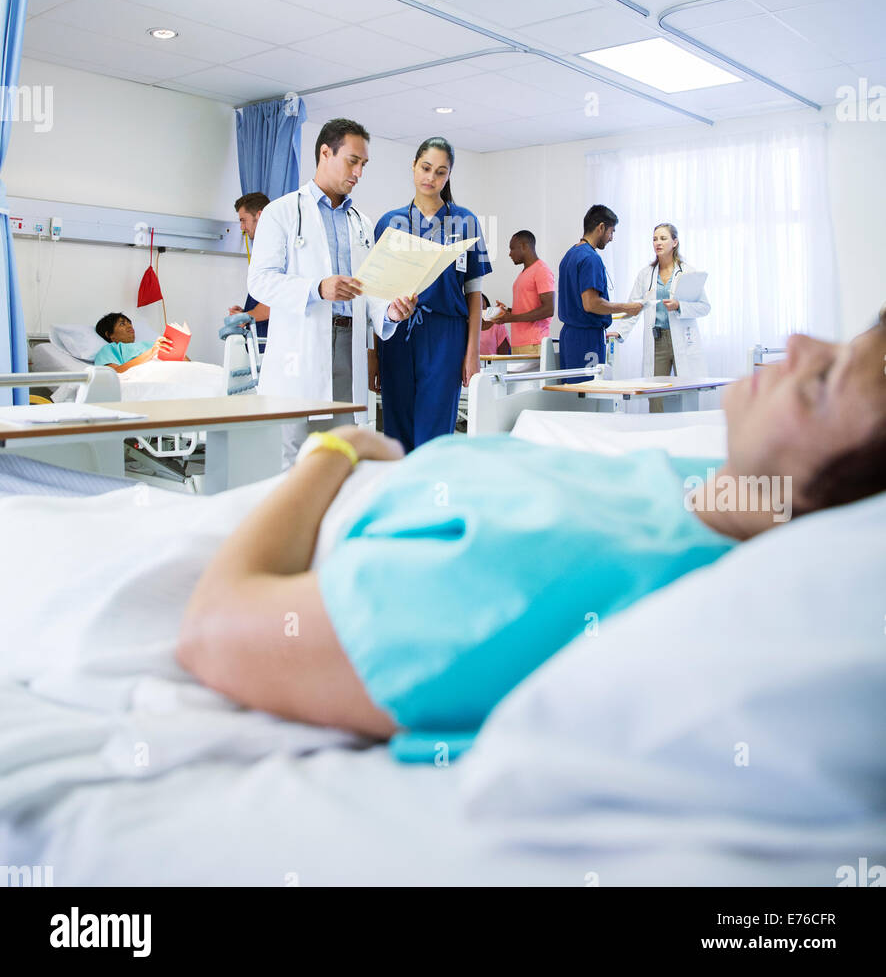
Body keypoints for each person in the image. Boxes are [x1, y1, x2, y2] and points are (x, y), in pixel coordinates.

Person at [177, 317, 886, 761]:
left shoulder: (542, 576)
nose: (798, 342)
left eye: (823, 381)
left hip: (288, 513)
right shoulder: (723, 489)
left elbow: (214, 629)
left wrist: (333, 452)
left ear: (833, 502)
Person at [246, 119, 416, 464]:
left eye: (364, 164)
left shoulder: (361, 223)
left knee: (340, 451)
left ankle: (333, 517)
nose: (359, 172)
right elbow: (260, 281)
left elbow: (369, 290)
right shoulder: (282, 212)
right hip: (300, 349)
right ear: (325, 152)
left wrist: (390, 312)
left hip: (348, 347)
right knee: (292, 450)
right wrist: (317, 288)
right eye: (353, 161)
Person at [369, 137, 492, 453]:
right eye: (425, 168)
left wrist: (472, 352)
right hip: (396, 334)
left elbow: (474, 294)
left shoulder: (465, 221)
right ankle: (403, 495)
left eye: (440, 172)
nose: (431, 178)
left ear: (448, 176)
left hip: (445, 335)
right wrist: (373, 354)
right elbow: (375, 293)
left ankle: (433, 495)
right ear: (413, 166)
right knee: (397, 427)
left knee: (435, 431)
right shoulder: (389, 222)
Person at [610, 222, 711, 410]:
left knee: (686, 390)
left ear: (675, 242)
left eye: (663, 238)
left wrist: (680, 305)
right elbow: (635, 307)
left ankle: (687, 432)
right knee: (654, 393)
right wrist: (619, 332)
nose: (658, 242)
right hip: (657, 342)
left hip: (682, 339)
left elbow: (704, 307)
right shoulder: (645, 274)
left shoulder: (688, 272)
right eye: (655, 239)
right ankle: (656, 431)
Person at [556, 205, 643, 375]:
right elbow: (591, 304)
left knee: (572, 393)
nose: (611, 238)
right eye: (611, 232)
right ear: (601, 227)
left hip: (569, 336)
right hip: (586, 338)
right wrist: (627, 308)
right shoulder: (590, 258)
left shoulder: (570, 255)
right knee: (589, 394)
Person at [495, 230, 555, 355]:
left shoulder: (541, 270)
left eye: (512, 248)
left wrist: (512, 318)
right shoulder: (524, 273)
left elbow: (549, 309)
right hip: (519, 344)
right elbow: (527, 308)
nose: (510, 254)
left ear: (523, 246)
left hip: (533, 344)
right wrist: (507, 312)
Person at [229, 192, 271, 339]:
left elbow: (273, 305)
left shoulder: (276, 251)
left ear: (259, 215)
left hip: (269, 343)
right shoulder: (263, 249)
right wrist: (246, 311)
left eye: (243, 220)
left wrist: (245, 316)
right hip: (259, 341)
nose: (242, 227)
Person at [93, 313, 171, 372]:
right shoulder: (110, 349)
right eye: (122, 324)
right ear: (110, 334)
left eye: (129, 323)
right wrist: (151, 353)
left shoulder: (150, 344)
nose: (130, 326)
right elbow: (114, 373)